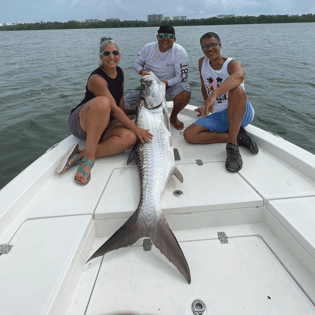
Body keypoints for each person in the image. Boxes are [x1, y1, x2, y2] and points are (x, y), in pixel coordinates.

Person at [56, 37, 152, 185]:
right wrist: (136, 128)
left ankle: (82, 154)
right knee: (103, 102)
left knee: (130, 138)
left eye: (115, 52)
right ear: (101, 57)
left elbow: (119, 103)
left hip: (105, 123)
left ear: (120, 56)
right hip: (82, 123)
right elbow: (112, 108)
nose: (111, 57)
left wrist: (131, 119)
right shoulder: (97, 78)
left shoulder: (121, 72)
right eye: (106, 53)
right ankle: (88, 161)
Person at [183, 32, 258, 172]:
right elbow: (203, 83)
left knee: (237, 90)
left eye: (213, 45)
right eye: (205, 47)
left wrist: (214, 95)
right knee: (189, 135)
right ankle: (238, 136)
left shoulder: (231, 64)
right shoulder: (202, 62)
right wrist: (205, 104)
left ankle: (232, 145)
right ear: (202, 49)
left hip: (240, 112)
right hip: (220, 115)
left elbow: (239, 76)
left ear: (220, 45)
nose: (209, 49)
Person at [124, 25, 191, 130]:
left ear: (174, 38)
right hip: (149, 88)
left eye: (169, 36)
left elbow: (181, 77)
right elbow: (137, 64)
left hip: (168, 86)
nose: (165, 39)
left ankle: (173, 118)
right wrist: (141, 71)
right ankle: (142, 110)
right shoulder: (148, 48)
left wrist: (165, 83)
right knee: (123, 106)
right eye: (162, 36)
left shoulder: (180, 52)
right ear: (157, 37)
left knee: (185, 90)